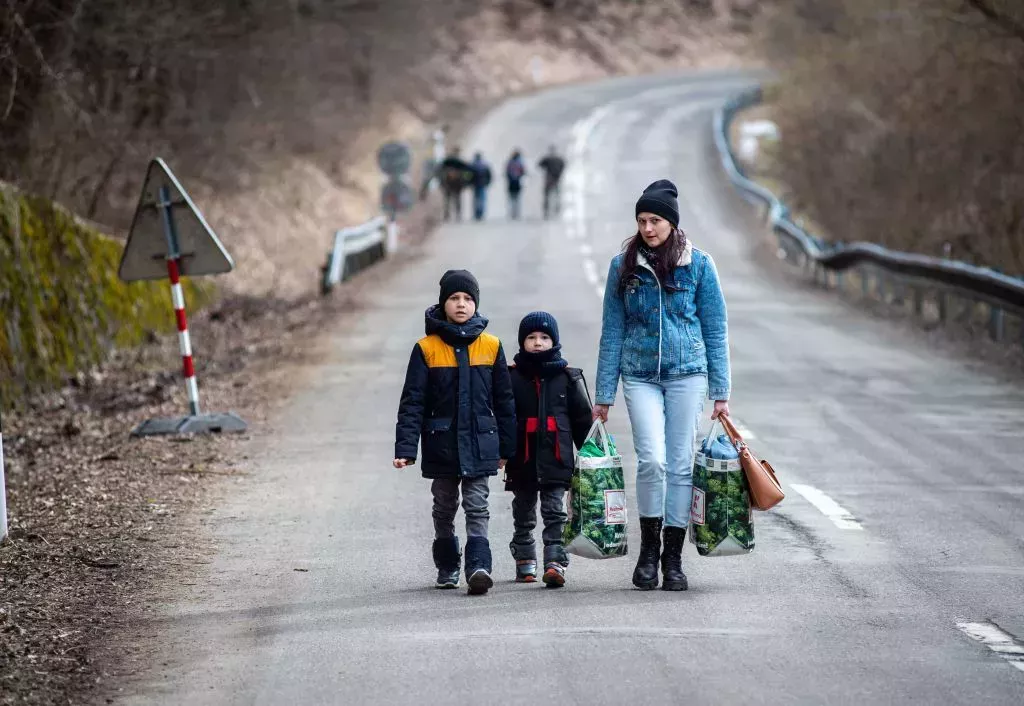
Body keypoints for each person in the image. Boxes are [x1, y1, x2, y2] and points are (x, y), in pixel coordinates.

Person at [593, 179, 731, 592]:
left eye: (655, 220)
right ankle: (648, 552)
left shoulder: (699, 265)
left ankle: (673, 559)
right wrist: (603, 396)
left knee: (680, 463)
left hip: (688, 373)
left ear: (671, 222)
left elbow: (715, 328)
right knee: (652, 460)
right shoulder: (623, 266)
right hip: (639, 375)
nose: (648, 228)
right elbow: (612, 330)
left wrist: (721, 392)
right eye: (641, 220)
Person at [394, 270, 516, 595]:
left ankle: (479, 566)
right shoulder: (426, 349)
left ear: (476, 304)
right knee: (444, 506)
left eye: (467, 299)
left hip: (480, 443)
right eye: (454, 298)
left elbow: (504, 402)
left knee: (477, 504)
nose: (461, 304)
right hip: (441, 444)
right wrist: (406, 448)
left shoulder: (491, 346)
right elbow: (413, 401)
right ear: (443, 303)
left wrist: (507, 447)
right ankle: (448, 565)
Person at [503, 312, 592, 588]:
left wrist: (591, 455)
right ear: (522, 342)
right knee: (523, 510)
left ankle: (555, 562)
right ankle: (524, 558)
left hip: (557, 458)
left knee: (555, 511)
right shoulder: (511, 377)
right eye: (531, 338)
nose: (538, 343)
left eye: (544, 337)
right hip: (522, 459)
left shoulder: (568, 377)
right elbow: (502, 418)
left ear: (554, 341)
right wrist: (501, 452)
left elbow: (582, 421)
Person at [440, 147, 473, 222]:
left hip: (449, 185)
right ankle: (457, 215)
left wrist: (442, 183)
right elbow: (468, 173)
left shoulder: (447, 161)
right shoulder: (460, 162)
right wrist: (466, 182)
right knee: (456, 200)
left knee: (448, 200)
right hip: (456, 185)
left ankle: (448, 215)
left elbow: (441, 172)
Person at [538, 146, 566, 220]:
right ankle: (556, 209)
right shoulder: (559, 159)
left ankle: (546, 210)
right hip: (556, 180)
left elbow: (539, 165)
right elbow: (564, 165)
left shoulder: (547, 159)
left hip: (549, 180)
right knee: (556, 195)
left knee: (547, 196)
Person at [470, 152, 493, 221]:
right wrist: (487, 183)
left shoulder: (472, 165)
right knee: (482, 200)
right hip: (482, 185)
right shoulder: (484, 165)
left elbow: (468, 175)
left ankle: (476, 214)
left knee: (475, 200)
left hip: (475, 185)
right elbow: (489, 175)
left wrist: (469, 183)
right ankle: (481, 214)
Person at [505, 149, 526, 220]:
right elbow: (523, 172)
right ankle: (516, 213)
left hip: (511, 183)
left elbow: (506, 172)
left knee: (511, 199)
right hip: (517, 183)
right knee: (517, 199)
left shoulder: (510, 163)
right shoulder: (520, 163)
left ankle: (512, 213)